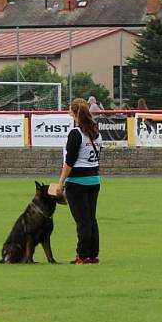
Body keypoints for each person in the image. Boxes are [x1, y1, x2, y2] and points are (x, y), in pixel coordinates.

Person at [57, 98, 103, 264]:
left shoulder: (76, 133)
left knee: (82, 221)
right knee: (91, 218)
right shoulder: (96, 133)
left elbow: (70, 160)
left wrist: (61, 182)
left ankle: (82, 255)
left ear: (73, 113)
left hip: (77, 182)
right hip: (94, 180)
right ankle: (93, 254)